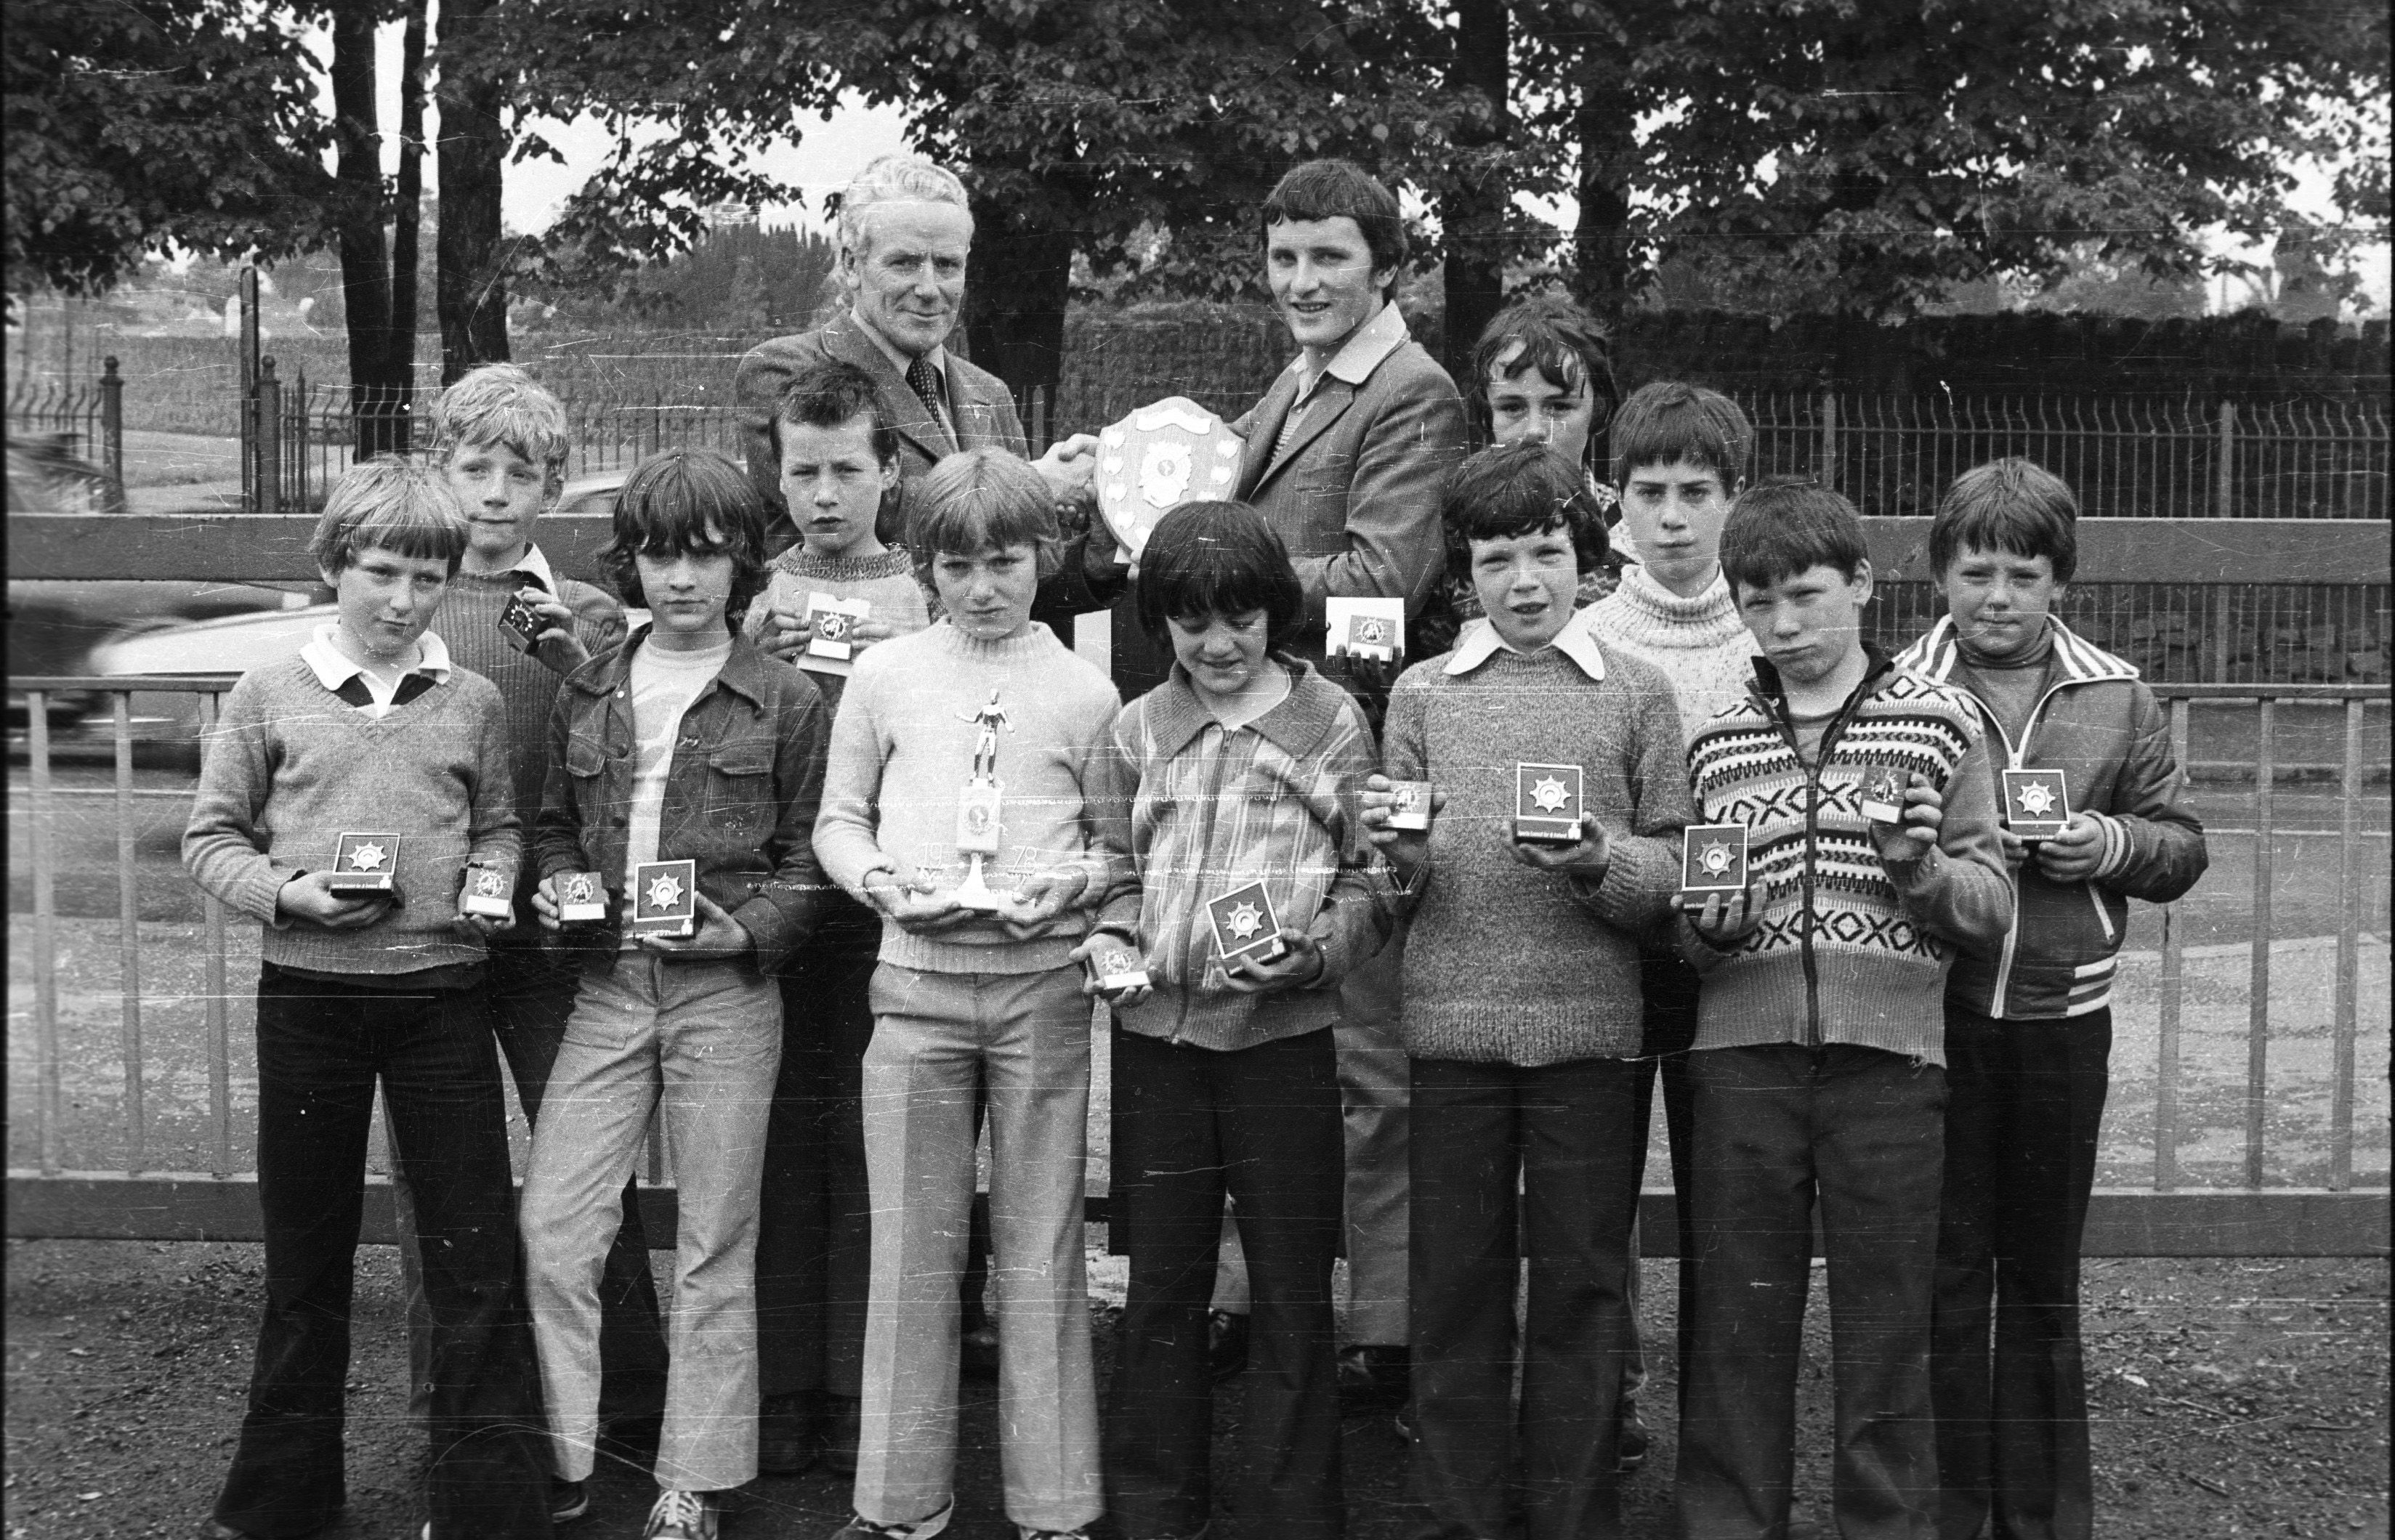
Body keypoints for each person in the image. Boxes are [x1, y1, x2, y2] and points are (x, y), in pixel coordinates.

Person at [1144, 155, 1467, 1410]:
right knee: (1255, 1017)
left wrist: (1213, 560)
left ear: (1385, 267)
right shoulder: (1296, 378)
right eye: (1284, 258)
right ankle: (1246, 1296)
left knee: (1367, 1041)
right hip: (1264, 721)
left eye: (1329, 257)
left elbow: (1384, 569)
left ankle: (1379, 1318)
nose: (1302, 281)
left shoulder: (1409, 390)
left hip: (1353, 731)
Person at [182, 457, 552, 1539]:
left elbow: (499, 825)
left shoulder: (472, 701)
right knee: (308, 1256)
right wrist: (286, 893)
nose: (400, 600)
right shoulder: (266, 696)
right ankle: (285, 1502)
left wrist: (490, 885)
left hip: (441, 997)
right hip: (309, 1000)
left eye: (426, 579)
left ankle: (483, 1508)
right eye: (380, 572)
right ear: (333, 566)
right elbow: (211, 839)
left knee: (471, 1254)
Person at [1672, 477, 2014, 1540]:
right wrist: (1713, 926)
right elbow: (1692, 927)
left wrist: (1918, 873)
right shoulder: (1715, 739)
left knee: (1885, 1333)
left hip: (1890, 1067)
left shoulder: (1943, 723)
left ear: (1863, 584)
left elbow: (1993, 905)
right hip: (1744, 1063)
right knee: (1737, 1329)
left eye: (1807, 596)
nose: (1784, 625)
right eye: (1757, 601)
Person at [1362, 442, 1691, 1540]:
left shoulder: (1638, 697)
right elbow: (1395, 887)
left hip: (1592, 1039)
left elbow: (1676, 871)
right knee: (1453, 1288)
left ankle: (1572, 1513)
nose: (1524, 581)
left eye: (1546, 552)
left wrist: (1604, 862)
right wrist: (1390, 854)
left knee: (1585, 1286)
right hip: (1453, 1033)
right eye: (1497, 559)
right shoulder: (1421, 695)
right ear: (1463, 574)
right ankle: (1459, 1514)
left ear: (1587, 560)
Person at [812, 447, 1123, 1540]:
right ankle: (899, 1504)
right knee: (911, 1246)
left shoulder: (1087, 687)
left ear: (1047, 554)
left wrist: (1065, 889)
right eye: (957, 565)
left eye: (1007, 559)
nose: (984, 586)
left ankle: (1055, 1506)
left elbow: (1114, 845)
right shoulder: (885, 675)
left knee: (1040, 1251)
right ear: (924, 566)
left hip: (1040, 992)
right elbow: (839, 821)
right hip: (916, 990)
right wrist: (885, 884)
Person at [520, 447, 831, 1540]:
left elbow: (809, 858)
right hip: (609, 987)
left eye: (704, 555)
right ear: (632, 562)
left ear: (742, 564)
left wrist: (743, 929)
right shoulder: (595, 680)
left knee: (713, 1240)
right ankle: (560, 1457)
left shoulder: (786, 696)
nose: (681, 577)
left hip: (724, 996)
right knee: (555, 1228)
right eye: (658, 554)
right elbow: (559, 822)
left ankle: (690, 1479)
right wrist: (560, 881)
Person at [1895, 458, 2208, 1540]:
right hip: (1933, 1017)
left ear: (2059, 582)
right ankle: (1946, 1511)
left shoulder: (2117, 692)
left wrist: (2105, 843)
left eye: (2022, 575)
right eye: (1974, 571)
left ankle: (2043, 1517)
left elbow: (2180, 847)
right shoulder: (1898, 688)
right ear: (1938, 574)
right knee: (1946, 1269)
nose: (1996, 596)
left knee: (2041, 1276)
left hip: (2064, 1020)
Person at [1083, 500, 1394, 1540]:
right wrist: (1114, 940)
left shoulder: (1333, 723)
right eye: (1191, 623)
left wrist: (1321, 952)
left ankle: (1294, 1512)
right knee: (1163, 1285)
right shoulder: (1134, 731)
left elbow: (1379, 873)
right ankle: (1153, 1509)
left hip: (1282, 1044)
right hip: (1159, 1050)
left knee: (1293, 1285)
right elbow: (1112, 873)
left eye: (1242, 620)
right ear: (1158, 621)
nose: (1218, 646)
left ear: (1278, 612)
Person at [401, 365, 666, 1491]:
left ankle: (624, 1408)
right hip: (430, 935)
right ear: (441, 472)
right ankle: (457, 1416)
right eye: (477, 470)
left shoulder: (588, 612)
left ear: (554, 483)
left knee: (583, 1168)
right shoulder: (407, 596)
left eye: (523, 472)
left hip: (552, 939)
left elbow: (640, 747)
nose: (499, 493)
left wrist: (582, 661)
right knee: (439, 1182)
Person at [741, 357, 937, 1478]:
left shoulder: (920, 594)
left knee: (879, 1150)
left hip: (882, 897)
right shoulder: (761, 594)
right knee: (783, 1142)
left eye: (846, 471)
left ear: (887, 470)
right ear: (779, 474)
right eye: (804, 472)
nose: (825, 495)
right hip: (781, 895)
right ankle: (781, 1389)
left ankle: (866, 1388)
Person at [1579, 378, 1760, 1456]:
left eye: (1700, 491)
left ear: (1738, 496)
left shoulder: (1770, 628)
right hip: (1605, 947)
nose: (1676, 517)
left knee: (1726, 1207)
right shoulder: (1589, 634)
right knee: (1595, 1204)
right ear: (1618, 499)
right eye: (1651, 491)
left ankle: (1723, 1433)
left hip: (1732, 955)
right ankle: (1609, 1412)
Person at [734, 151, 1120, 633]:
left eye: (947, 264)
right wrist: (1030, 488)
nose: (929, 287)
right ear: (852, 266)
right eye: (904, 263)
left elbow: (1015, 583)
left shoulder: (989, 394)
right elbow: (872, 514)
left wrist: (1101, 555)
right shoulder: (785, 370)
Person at [1418, 293, 1629, 655]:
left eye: (1559, 406)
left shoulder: (1631, 534)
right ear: (1488, 414)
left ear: (1599, 410)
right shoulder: (1453, 531)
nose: (1535, 429)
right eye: (1513, 407)